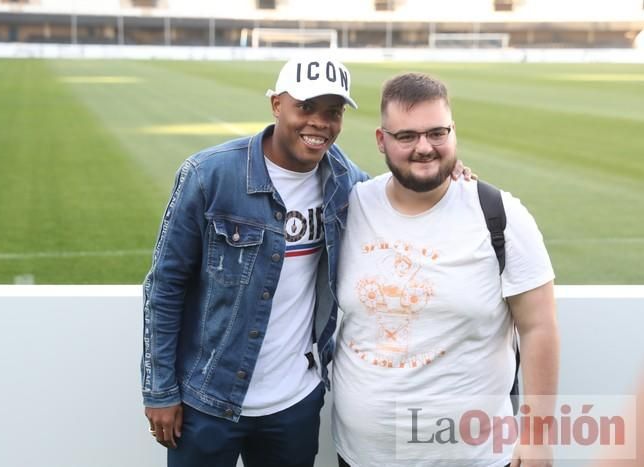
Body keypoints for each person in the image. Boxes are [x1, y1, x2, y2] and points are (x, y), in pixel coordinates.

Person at [140, 57, 470, 467]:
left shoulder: (346, 180)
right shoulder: (209, 175)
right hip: (209, 400)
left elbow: (400, 190)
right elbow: (164, 286)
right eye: (306, 107)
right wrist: (160, 391)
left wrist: (447, 171)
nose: (319, 123)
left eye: (332, 112)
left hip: (294, 403)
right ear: (277, 105)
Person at [331, 72, 559, 467]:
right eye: (407, 136)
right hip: (361, 456)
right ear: (382, 140)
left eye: (437, 133)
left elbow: (540, 327)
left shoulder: (501, 215)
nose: (425, 148)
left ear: (454, 132)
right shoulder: (351, 206)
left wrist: (537, 439)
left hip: (476, 457)